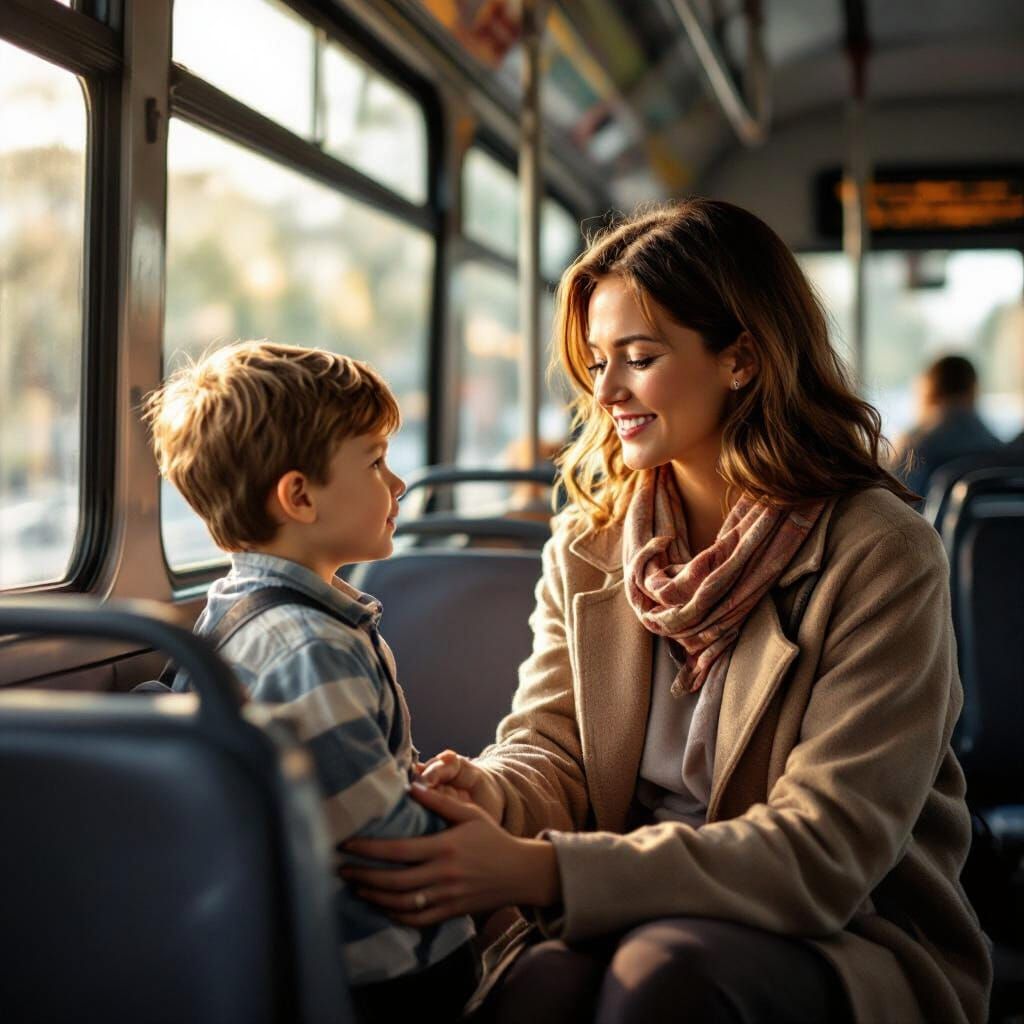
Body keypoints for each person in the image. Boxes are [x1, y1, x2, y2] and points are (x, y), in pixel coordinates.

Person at [340, 201, 992, 1024]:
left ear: (742, 360)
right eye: (596, 361)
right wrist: (491, 792)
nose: (604, 391)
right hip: (625, 898)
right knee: (538, 990)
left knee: (666, 978)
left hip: (848, 929)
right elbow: (552, 750)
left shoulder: (880, 552)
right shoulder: (590, 542)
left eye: (638, 358)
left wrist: (541, 873)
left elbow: (828, 849)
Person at [145, 341, 478, 1024]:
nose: (399, 485)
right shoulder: (310, 648)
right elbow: (389, 849)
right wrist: (473, 824)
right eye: (376, 461)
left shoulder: (230, 613)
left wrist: (415, 780)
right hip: (384, 974)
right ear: (299, 496)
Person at [895, 354, 1003, 497]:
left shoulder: (913, 445)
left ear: (929, 390)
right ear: (973, 389)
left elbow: (899, 502)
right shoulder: (995, 446)